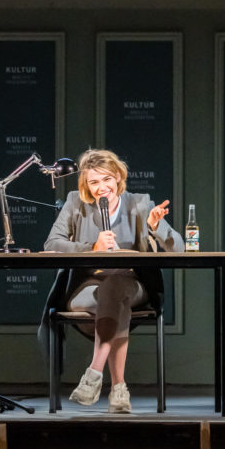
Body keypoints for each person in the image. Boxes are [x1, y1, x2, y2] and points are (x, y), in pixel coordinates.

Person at [42, 148, 183, 413]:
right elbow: (52, 244)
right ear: (86, 184)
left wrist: (156, 226)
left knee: (116, 287)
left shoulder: (140, 203)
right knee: (115, 299)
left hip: (132, 285)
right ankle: (119, 389)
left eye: (107, 179)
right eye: (94, 182)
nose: (101, 188)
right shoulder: (75, 203)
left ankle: (94, 372)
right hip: (88, 287)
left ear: (118, 176)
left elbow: (179, 249)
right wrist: (91, 247)